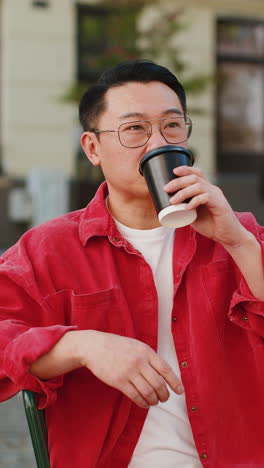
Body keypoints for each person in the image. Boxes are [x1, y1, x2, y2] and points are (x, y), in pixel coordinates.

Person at [0, 60, 264, 468]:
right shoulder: (48, 249)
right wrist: (79, 345)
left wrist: (239, 242)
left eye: (172, 126)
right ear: (92, 148)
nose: (158, 142)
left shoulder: (242, 235)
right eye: (135, 128)